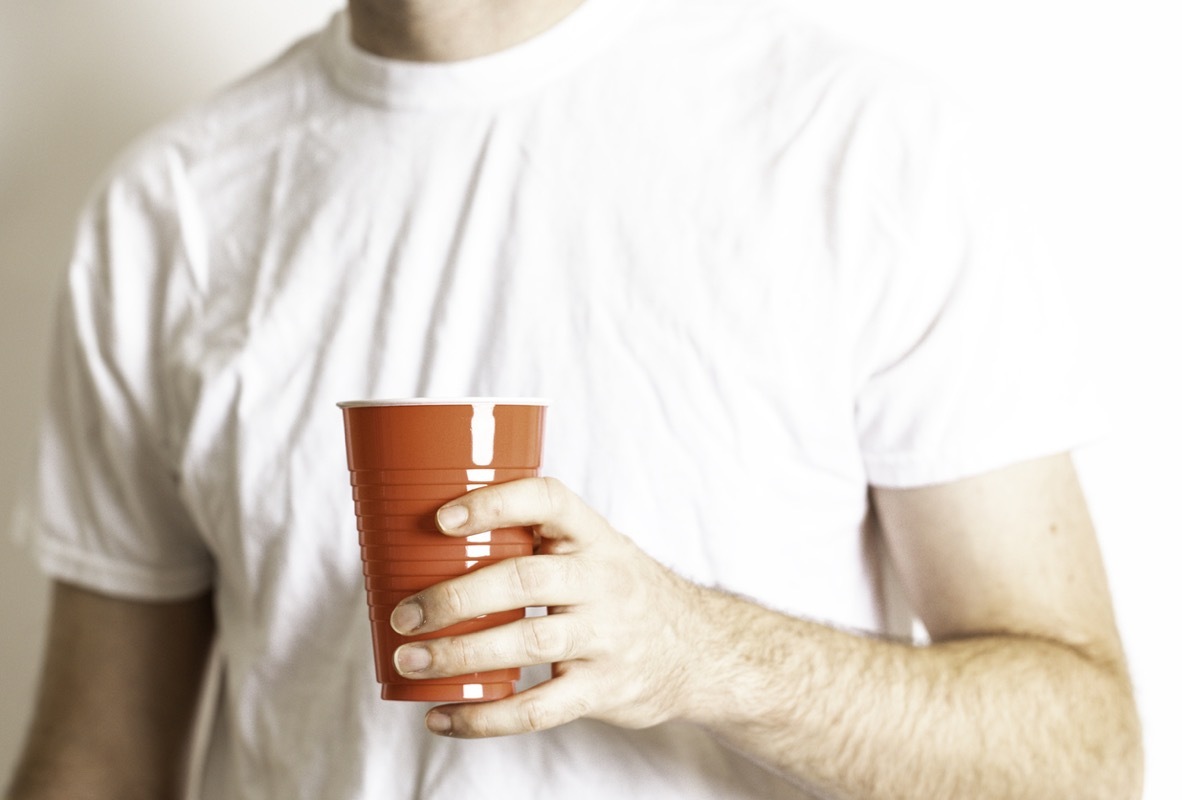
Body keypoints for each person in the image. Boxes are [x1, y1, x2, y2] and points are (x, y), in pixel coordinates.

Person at [6, 0, 1143, 798]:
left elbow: (1084, 754)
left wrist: (697, 651)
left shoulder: (860, 149)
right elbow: (102, 761)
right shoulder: (171, 210)